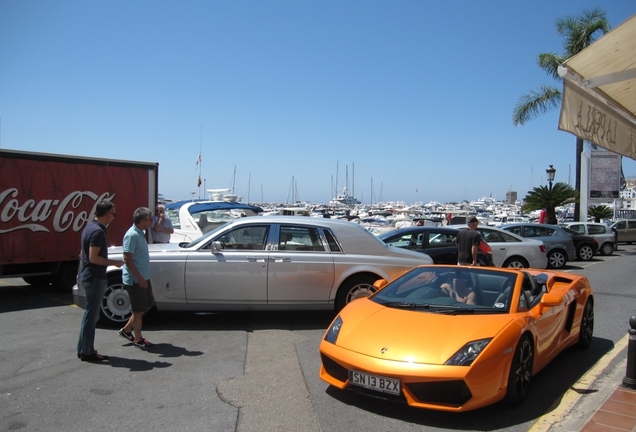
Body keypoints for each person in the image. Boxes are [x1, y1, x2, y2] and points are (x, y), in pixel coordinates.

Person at [77, 200, 124, 362]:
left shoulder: (89, 228)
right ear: (106, 214)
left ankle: (83, 348)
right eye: (113, 214)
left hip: (88, 275)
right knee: (92, 316)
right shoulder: (97, 232)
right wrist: (114, 263)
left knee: (89, 314)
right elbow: (93, 257)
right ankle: (87, 351)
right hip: (95, 277)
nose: (113, 217)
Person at [118, 207, 157, 349]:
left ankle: (127, 330)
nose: (151, 222)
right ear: (142, 221)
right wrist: (139, 278)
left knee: (144, 307)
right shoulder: (132, 235)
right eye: (150, 220)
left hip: (143, 277)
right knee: (138, 310)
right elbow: (127, 259)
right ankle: (138, 339)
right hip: (136, 280)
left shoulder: (141, 233)